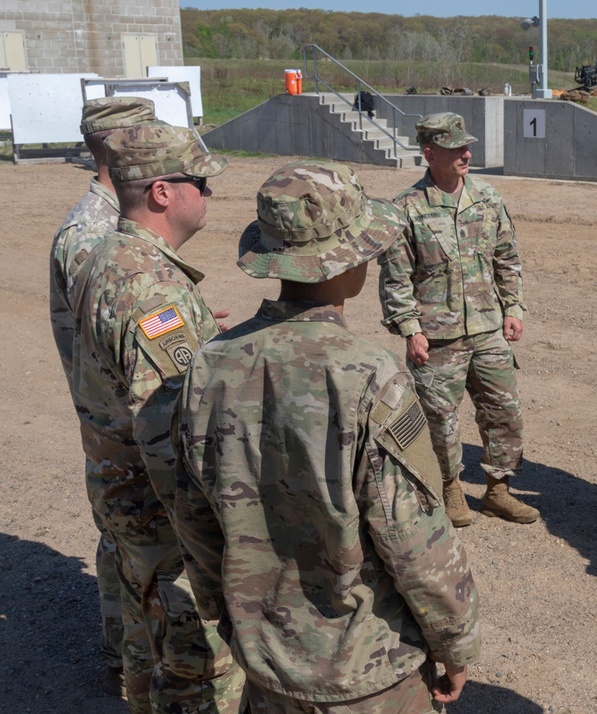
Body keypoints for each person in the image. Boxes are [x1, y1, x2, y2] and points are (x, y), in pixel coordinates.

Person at [173, 159, 481, 712]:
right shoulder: (368, 375)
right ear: (351, 261)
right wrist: (456, 643)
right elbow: (412, 539)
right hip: (368, 672)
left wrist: (231, 615)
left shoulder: (209, 365)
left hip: (266, 664)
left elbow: (194, 513)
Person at [71, 124, 244, 713]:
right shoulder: (151, 290)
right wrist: (216, 532)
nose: (209, 195)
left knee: (148, 640)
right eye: (201, 183)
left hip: (124, 495)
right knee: (199, 666)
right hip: (164, 515)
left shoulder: (107, 257)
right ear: (164, 193)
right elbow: (170, 435)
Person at [379, 111, 537, 527]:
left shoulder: (487, 197)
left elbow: (507, 256)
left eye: (467, 146)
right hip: (436, 337)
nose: (467, 153)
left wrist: (514, 308)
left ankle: (499, 490)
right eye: (455, 149)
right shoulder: (405, 209)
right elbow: (396, 279)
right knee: (440, 421)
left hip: (488, 328)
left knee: (504, 412)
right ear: (430, 154)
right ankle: (449, 488)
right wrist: (411, 330)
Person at [48, 95, 156, 697]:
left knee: (122, 537)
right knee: (137, 541)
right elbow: (119, 341)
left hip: (111, 411)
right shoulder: (94, 232)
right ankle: (136, 663)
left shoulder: (107, 219)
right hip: (121, 417)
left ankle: (122, 651)